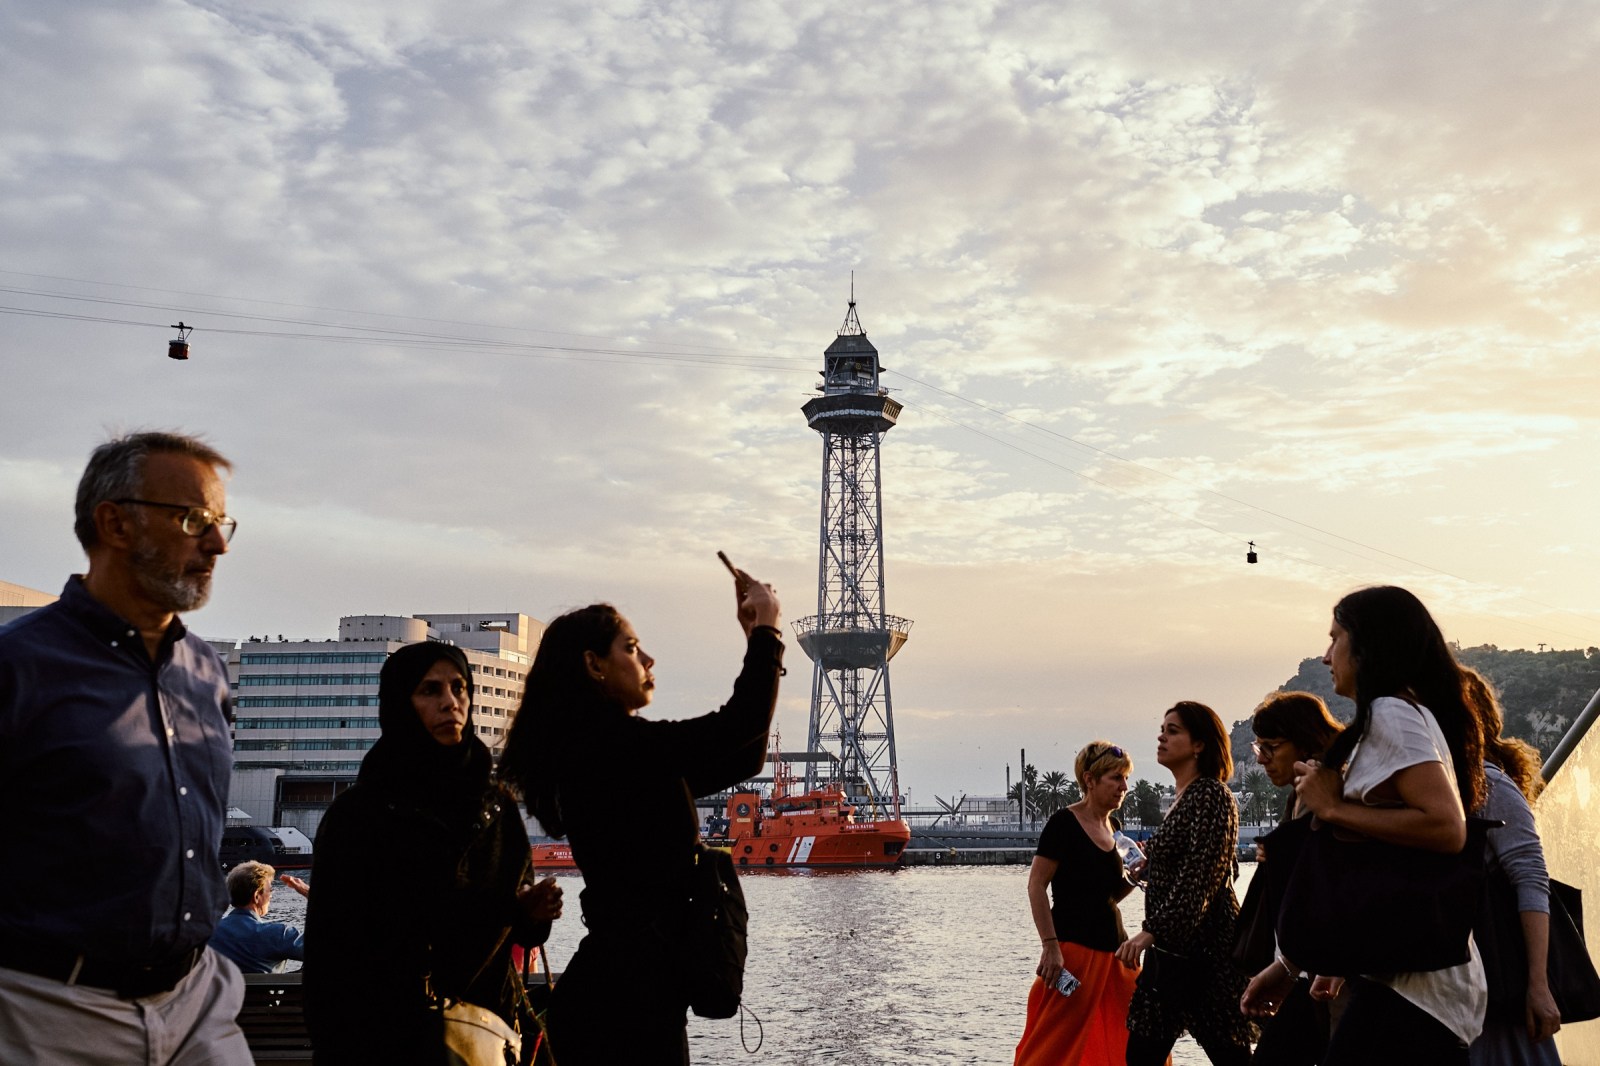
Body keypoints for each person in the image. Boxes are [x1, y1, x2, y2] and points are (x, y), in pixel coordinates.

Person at [0, 431, 251, 1064]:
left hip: (197, 997)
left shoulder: (205, 670)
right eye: (194, 521)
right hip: (49, 1013)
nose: (217, 545)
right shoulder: (18, 669)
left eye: (223, 524)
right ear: (114, 522)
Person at [500, 573, 784, 1066]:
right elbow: (738, 727)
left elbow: (746, 754)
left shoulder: (606, 751)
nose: (649, 660)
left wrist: (757, 634)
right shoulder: (617, 749)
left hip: (624, 991)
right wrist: (766, 632)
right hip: (627, 1006)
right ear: (594, 665)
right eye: (631, 648)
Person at [1253, 585, 1489, 1065]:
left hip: (1419, 992)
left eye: (1334, 638)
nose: (1325, 656)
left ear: (1367, 646)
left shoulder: (1392, 714)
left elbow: (1447, 827)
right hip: (1405, 980)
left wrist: (1333, 807)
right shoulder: (1398, 715)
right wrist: (1289, 966)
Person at [304, 641, 563, 1065]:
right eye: (430, 690)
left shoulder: (495, 805)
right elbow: (334, 952)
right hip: (388, 1040)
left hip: (487, 1035)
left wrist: (533, 915)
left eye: (459, 688)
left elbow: (520, 929)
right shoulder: (361, 815)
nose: (450, 703)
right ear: (400, 704)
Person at [1115, 701, 1255, 1066]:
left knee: (1230, 1055)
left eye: (1173, 730)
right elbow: (1221, 867)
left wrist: (1151, 932)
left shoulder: (1211, 794)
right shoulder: (1182, 799)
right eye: (1162, 729)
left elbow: (1205, 876)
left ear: (1200, 744)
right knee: (1143, 1055)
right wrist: (1153, 868)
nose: (1161, 736)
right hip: (1174, 957)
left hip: (1206, 956)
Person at [1014, 741, 1143, 1066]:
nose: (1123, 787)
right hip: (1074, 954)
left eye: (1125, 778)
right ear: (1090, 779)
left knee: (1133, 1039)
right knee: (1053, 1044)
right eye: (1115, 778)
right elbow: (1036, 886)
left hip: (1117, 953)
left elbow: (1107, 896)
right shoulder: (1064, 824)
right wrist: (1050, 945)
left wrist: (1133, 877)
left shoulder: (1112, 829)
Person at [1240, 692, 1344, 1066]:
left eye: (1271, 747)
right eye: (1258, 747)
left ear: (1305, 739)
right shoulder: (1299, 797)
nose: (1262, 759)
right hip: (1309, 971)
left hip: (1329, 977)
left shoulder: (1325, 792)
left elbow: (1337, 884)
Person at [1464, 668, 1561, 1066]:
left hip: (1498, 987)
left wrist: (1537, 985)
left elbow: (1531, 877)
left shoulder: (1489, 786)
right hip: (1467, 991)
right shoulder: (1443, 787)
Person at [208, 863, 309, 975]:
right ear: (256, 896)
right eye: (270, 890)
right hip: (266, 992)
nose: (271, 895)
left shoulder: (207, 933)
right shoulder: (278, 935)